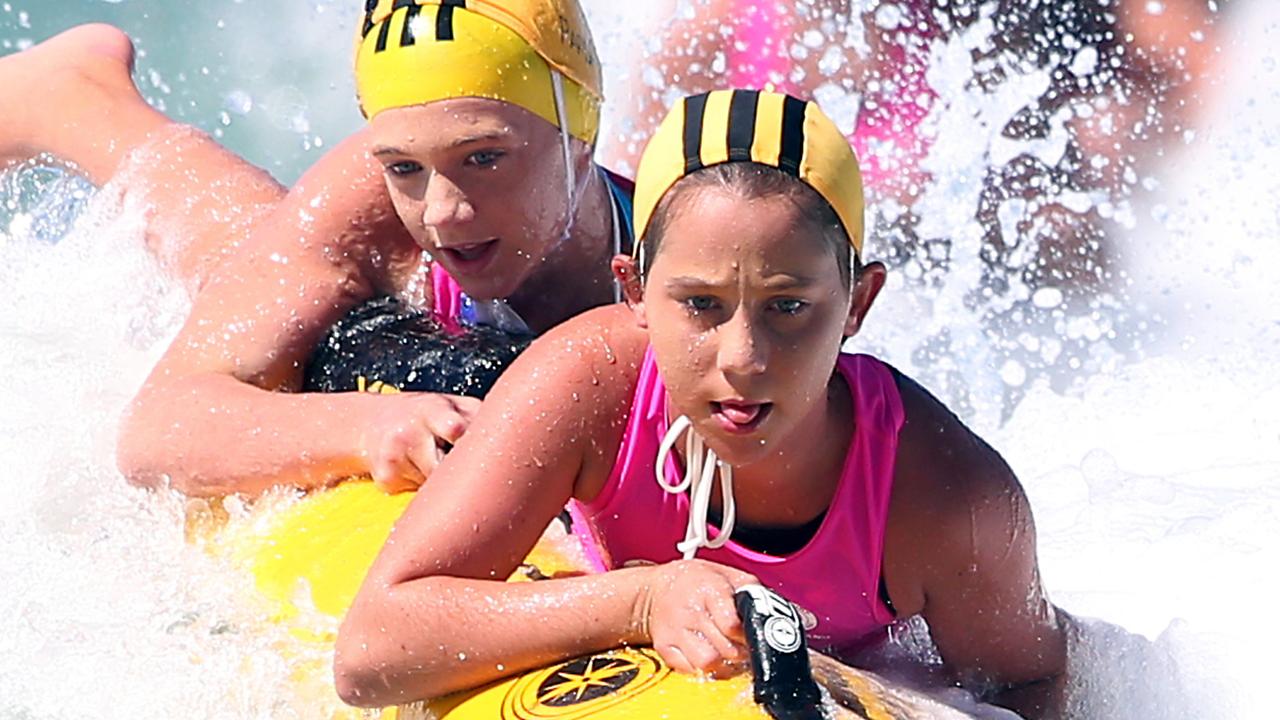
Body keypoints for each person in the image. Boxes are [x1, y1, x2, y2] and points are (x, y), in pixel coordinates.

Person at [334, 89, 1070, 719]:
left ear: (858, 302)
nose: (743, 358)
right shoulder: (590, 383)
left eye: (788, 307)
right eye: (701, 305)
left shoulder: (947, 500)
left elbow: (1032, 687)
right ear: (634, 292)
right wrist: (644, 603)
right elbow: (370, 651)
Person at [3, 0, 639, 497]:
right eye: (406, 167)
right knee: (248, 279)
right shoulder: (373, 202)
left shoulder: (678, 234)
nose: (445, 210)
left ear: (581, 133)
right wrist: (363, 428)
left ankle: (74, 91)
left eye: (484, 157)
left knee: (256, 250)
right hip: (375, 323)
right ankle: (71, 98)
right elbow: (159, 427)